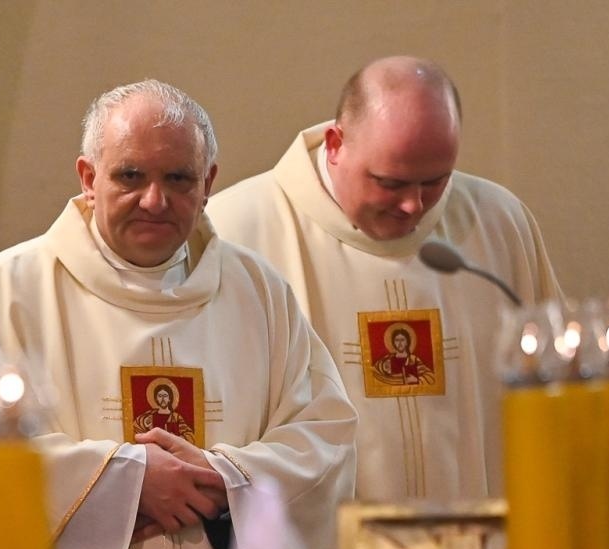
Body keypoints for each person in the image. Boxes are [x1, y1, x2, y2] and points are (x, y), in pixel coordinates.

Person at [0, 80, 355, 549]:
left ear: (209, 182)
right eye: (130, 176)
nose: (155, 200)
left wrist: (223, 479)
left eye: (178, 179)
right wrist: (123, 482)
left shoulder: (258, 292)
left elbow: (327, 434)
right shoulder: (10, 291)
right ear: (87, 179)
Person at [209, 56, 563, 503]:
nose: (414, 206)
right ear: (336, 144)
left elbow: (559, 400)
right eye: (390, 183)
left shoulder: (499, 222)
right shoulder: (238, 231)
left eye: (434, 182)